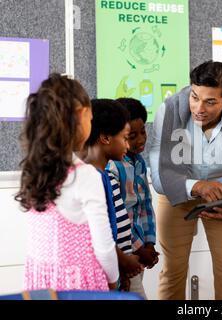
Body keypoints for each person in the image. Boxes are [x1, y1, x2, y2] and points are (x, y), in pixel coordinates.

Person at [149, 60, 222, 300]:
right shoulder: (168, 111)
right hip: (176, 191)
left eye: (210, 102)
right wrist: (197, 186)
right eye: (195, 97)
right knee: (173, 270)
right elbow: (158, 175)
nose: (199, 108)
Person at [16, 73, 119, 291]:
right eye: (91, 119)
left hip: (40, 285)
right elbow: (104, 246)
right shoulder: (85, 175)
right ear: (82, 114)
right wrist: (113, 278)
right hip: (78, 285)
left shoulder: (34, 169)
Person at [83, 98, 145, 292]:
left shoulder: (104, 178)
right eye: (125, 138)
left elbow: (119, 228)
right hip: (103, 277)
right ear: (106, 138)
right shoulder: (95, 179)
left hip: (116, 271)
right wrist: (122, 264)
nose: (128, 146)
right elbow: (102, 237)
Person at [107, 98, 159, 299]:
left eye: (143, 132)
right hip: (124, 252)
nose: (141, 140)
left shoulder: (138, 163)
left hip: (139, 251)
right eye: (132, 136)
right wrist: (139, 247)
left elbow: (145, 206)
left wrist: (149, 243)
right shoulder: (113, 167)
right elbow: (120, 217)